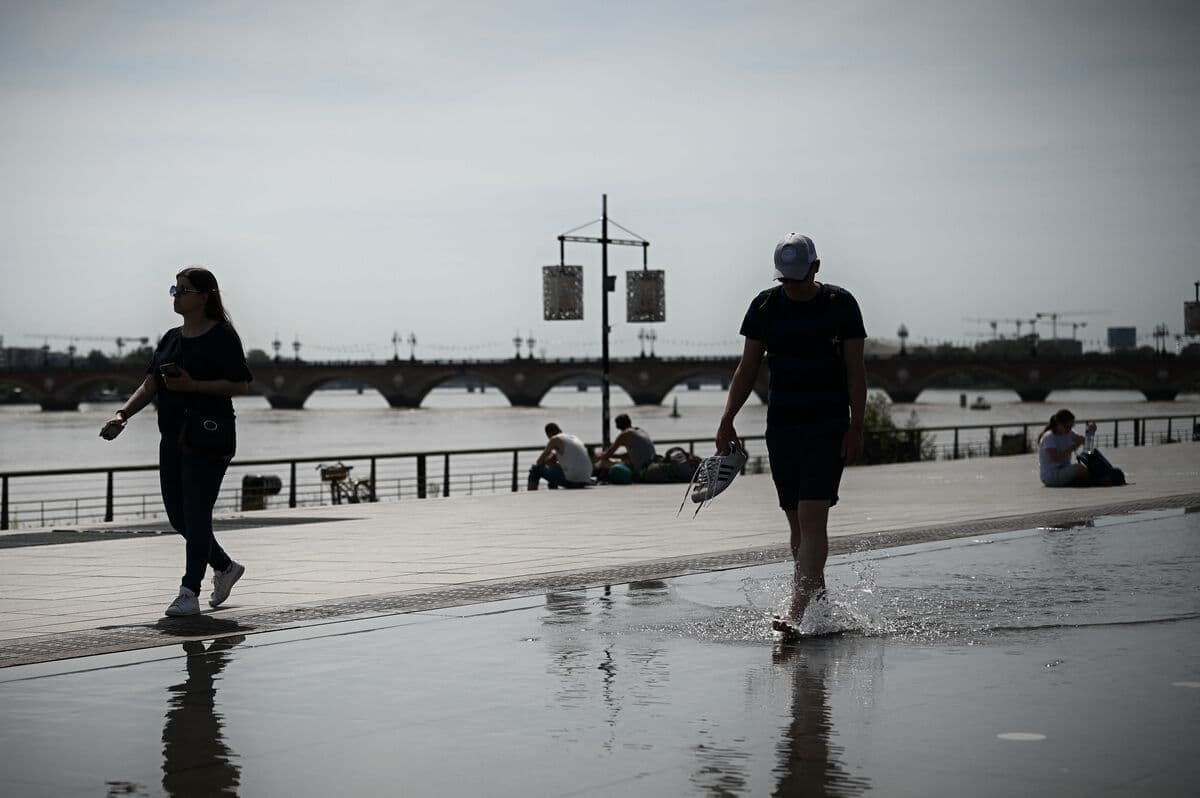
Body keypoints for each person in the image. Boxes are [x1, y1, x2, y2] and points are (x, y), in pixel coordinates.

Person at [714, 233, 867, 627]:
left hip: (827, 424)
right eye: (786, 280)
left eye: (798, 278)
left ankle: (797, 610)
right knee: (797, 524)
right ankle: (818, 604)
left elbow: (856, 371)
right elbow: (747, 368)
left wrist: (856, 426)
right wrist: (727, 417)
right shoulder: (765, 306)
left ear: (816, 268)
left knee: (813, 517)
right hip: (782, 425)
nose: (793, 287)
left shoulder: (841, 305)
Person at [100, 267, 253, 617]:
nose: (176, 295)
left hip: (209, 436)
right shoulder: (171, 337)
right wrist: (122, 415)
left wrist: (194, 386)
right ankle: (225, 567)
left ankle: (189, 592)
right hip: (172, 436)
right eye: (174, 289)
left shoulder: (222, 336)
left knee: (197, 513)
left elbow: (241, 385)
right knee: (179, 517)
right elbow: (151, 383)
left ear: (204, 296)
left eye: (183, 290)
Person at [528, 422, 593, 490]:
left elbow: (539, 461)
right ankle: (553, 490)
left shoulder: (554, 439)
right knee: (554, 468)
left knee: (535, 469)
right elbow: (555, 459)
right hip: (586, 479)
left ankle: (531, 494)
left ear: (548, 434)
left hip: (573, 480)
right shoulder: (573, 438)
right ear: (560, 430)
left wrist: (547, 461)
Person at [1037, 409, 1090, 487]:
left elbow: (1085, 442)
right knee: (1080, 469)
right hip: (1051, 475)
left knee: (1087, 469)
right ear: (1058, 423)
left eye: (1071, 426)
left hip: (1064, 469)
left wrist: (1089, 431)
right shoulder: (1049, 437)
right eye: (1066, 426)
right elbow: (1055, 458)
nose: (1069, 429)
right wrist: (1074, 446)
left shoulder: (1068, 433)